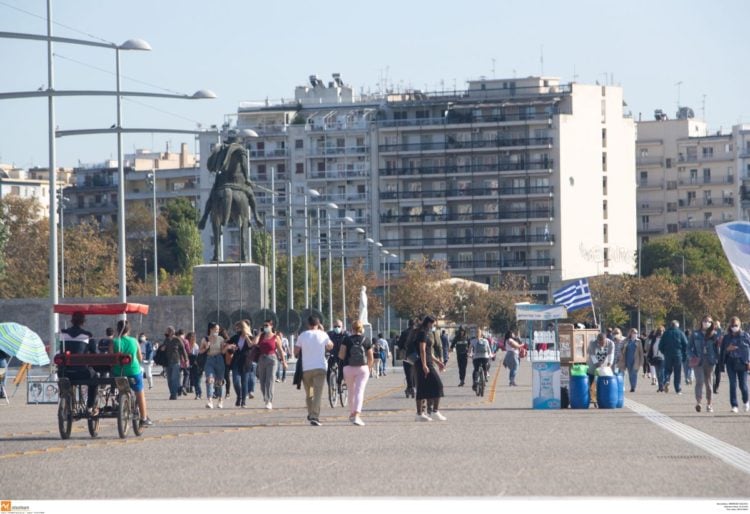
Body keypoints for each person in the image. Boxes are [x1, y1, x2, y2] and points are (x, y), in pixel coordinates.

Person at [111, 320, 152, 426]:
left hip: (118, 373)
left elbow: (110, 359)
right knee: (140, 392)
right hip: (133, 371)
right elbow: (140, 357)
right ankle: (143, 418)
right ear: (128, 330)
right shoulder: (134, 341)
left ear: (117, 329)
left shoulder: (114, 342)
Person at [295, 315, 334, 426]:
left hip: (306, 370)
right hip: (320, 369)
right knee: (318, 393)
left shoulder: (303, 335)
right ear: (318, 324)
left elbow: (296, 352)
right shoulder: (323, 334)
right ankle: (314, 416)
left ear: (308, 324)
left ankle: (310, 412)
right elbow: (330, 346)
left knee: (310, 393)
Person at [59, 311, 98, 413]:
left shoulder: (63, 334)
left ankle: (69, 402)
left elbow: (61, 351)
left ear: (72, 321)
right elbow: (94, 353)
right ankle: (90, 406)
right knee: (95, 379)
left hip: (65, 372)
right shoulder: (87, 335)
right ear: (83, 322)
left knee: (66, 378)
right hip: (82, 373)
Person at [339, 319, 374, 426]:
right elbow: (370, 357)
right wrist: (369, 367)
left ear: (352, 329)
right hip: (362, 368)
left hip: (348, 368)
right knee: (359, 391)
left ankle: (351, 413)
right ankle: (357, 415)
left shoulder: (346, 339)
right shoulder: (366, 340)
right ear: (362, 328)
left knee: (351, 391)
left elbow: (341, 355)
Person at [413, 316, 446, 422]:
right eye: (433, 324)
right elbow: (422, 350)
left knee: (423, 388)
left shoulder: (425, 333)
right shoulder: (422, 333)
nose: (434, 326)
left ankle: (421, 413)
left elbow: (428, 352)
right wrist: (424, 365)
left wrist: (438, 362)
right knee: (438, 385)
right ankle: (433, 412)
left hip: (427, 362)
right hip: (424, 363)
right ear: (428, 323)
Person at [687, 316, 720, 413]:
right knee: (699, 381)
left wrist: (717, 359)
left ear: (712, 323)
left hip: (710, 361)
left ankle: (709, 404)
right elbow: (688, 348)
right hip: (698, 361)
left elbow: (718, 349)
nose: (706, 323)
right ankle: (699, 402)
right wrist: (692, 356)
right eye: (705, 321)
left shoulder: (714, 334)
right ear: (701, 322)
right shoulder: (695, 334)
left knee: (709, 383)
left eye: (709, 321)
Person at [720, 316, 750, 413]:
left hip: (742, 362)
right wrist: (727, 350)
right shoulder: (727, 337)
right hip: (730, 362)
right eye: (732, 325)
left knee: (743, 385)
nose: (734, 327)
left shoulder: (745, 336)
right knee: (732, 384)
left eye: (736, 325)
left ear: (740, 325)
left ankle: (746, 401)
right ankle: (734, 405)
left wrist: (748, 361)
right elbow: (722, 350)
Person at [256, 319, 287, 410]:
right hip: (262, 359)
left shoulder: (275, 337)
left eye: (267, 325)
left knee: (270, 380)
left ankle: (269, 401)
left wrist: (284, 362)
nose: (265, 327)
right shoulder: (261, 336)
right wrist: (258, 333)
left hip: (272, 359)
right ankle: (265, 397)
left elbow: (281, 350)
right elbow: (254, 343)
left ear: (271, 326)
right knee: (262, 381)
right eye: (264, 325)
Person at [199, 322, 227, 409]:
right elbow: (200, 351)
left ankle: (220, 400)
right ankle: (210, 400)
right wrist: (206, 347)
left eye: (218, 329)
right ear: (211, 329)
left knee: (219, 381)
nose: (217, 331)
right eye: (216, 329)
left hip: (219, 359)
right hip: (209, 359)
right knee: (209, 379)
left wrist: (227, 347)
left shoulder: (221, 339)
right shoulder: (205, 339)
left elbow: (222, 351)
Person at [228, 320, 254, 408]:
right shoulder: (236, 337)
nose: (238, 330)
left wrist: (246, 337)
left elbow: (251, 345)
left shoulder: (250, 337)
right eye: (237, 328)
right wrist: (231, 347)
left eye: (239, 328)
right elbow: (228, 343)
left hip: (246, 362)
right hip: (236, 361)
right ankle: (239, 396)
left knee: (244, 382)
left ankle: (243, 401)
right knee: (235, 380)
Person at [660, 320, 688, 395]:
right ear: (677, 326)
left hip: (668, 354)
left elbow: (660, 345)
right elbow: (686, 345)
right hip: (678, 355)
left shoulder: (666, 333)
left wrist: (664, 352)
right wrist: (684, 355)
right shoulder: (680, 333)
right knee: (677, 372)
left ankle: (666, 380)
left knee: (667, 370)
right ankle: (678, 389)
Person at [161, 326, 189, 400]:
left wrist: (186, 360)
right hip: (168, 362)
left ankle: (174, 394)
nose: (166, 333)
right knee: (169, 380)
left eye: (167, 331)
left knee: (174, 379)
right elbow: (163, 348)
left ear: (171, 332)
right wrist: (162, 348)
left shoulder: (177, 340)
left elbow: (183, 350)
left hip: (176, 361)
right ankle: (172, 392)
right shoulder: (166, 340)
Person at [586, 333, 615, 398]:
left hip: (604, 365)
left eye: (603, 343)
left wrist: (609, 366)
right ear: (597, 340)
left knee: (603, 382)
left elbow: (611, 356)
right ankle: (590, 396)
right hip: (592, 366)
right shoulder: (592, 343)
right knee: (591, 380)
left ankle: (601, 396)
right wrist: (598, 367)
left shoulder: (611, 343)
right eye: (600, 343)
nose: (601, 344)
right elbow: (593, 356)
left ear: (605, 340)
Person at [617, 328, 644, 393]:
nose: (635, 334)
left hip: (636, 360)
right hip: (628, 359)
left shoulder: (638, 341)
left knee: (634, 373)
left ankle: (633, 387)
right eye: (634, 333)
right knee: (630, 373)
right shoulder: (626, 341)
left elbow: (641, 352)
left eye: (636, 333)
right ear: (631, 333)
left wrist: (642, 361)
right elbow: (621, 348)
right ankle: (632, 385)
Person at [398, 319, 418, 397]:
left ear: (408, 324)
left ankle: (410, 387)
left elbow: (399, 344)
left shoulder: (404, 332)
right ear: (415, 324)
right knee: (414, 371)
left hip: (405, 354)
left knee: (408, 372)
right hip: (415, 354)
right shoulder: (417, 332)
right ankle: (413, 387)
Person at [647, 326, 666, 392]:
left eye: (662, 331)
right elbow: (651, 347)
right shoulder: (654, 339)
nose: (661, 332)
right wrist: (650, 355)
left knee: (661, 372)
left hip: (663, 358)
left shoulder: (665, 339)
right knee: (658, 373)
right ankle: (660, 386)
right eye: (660, 331)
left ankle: (662, 386)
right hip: (655, 357)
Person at [186, 332, 203, 400]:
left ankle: (198, 394)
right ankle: (198, 393)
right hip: (190, 365)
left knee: (197, 381)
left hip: (196, 365)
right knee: (193, 380)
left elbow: (198, 356)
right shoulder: (187, 345)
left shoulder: (196, 346)